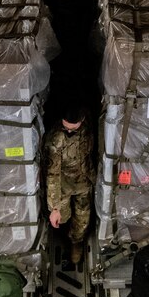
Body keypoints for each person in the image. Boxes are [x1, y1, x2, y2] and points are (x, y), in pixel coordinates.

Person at [45, 103, 94, 263]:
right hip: (63, 184)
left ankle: (76, 243)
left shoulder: (88, 124)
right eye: (66, 128)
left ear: (82, 120)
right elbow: (53, 174)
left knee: (82, 219)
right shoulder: (56, 139)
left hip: (84, 181)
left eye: (73, 129)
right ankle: (61, 239)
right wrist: (55, 207)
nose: (69, 132)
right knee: (61, 219)